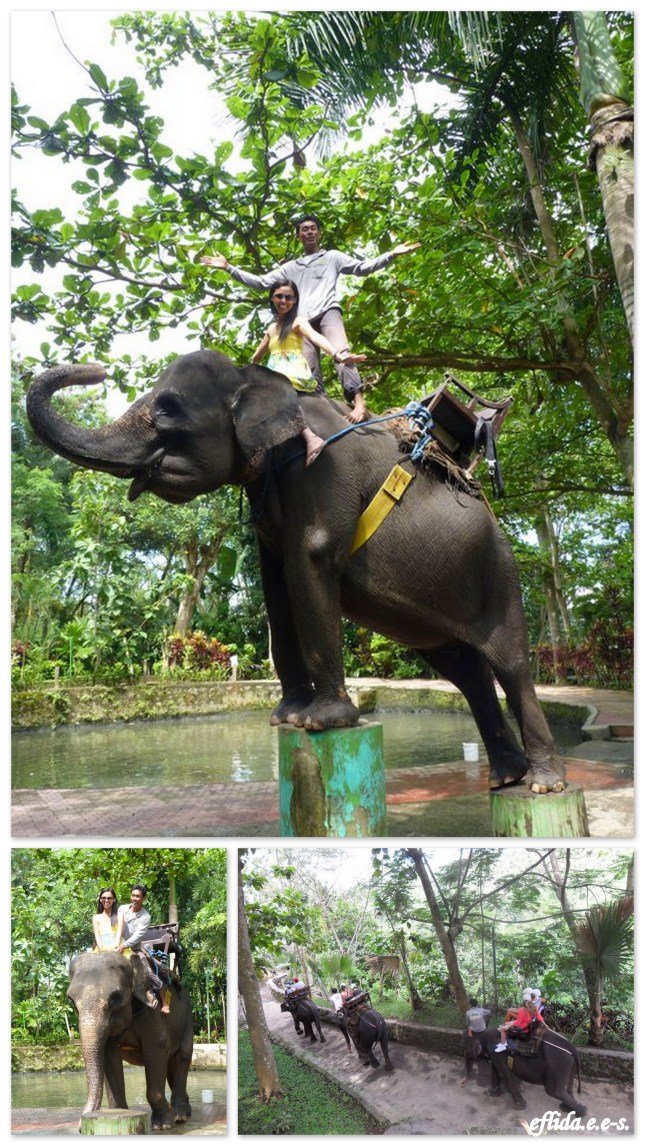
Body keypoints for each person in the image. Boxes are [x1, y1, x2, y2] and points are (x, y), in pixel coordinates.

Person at [200, 212, 420, 424]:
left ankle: (359, 403)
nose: (309, 232)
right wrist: (229, 268)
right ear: (299, 236)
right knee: (308, 368)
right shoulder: (290, 268)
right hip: (302, 320)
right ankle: (320, 407)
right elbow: (262, 282)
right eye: (304, 229)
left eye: (313, 228)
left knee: (341, 352)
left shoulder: (332, 257)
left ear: (319, 233)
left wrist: (391, 254)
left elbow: (362, 268)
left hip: (328, 311)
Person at [251, 280, 366, 464]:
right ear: (272, 298)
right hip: (275, 369)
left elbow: (316, 337)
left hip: (291, 368)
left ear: (295, 300)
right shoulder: (271, 329)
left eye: (288, 297)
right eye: (279, 296)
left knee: (280, 393)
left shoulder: (298, 322)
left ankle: (311, 437)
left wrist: (337, 355)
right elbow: (256, 356)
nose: (283, 300)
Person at [116, 884, 169, 1013]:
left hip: (133, 949)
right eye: (133, 895)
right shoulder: (122, 909)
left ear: (143, 898)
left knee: (148, 972)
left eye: (138, 896)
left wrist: (124, 945)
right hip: (115, 946)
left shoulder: (145, 917)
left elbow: (138, 935)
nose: (134, 898)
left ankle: (165, 1001)